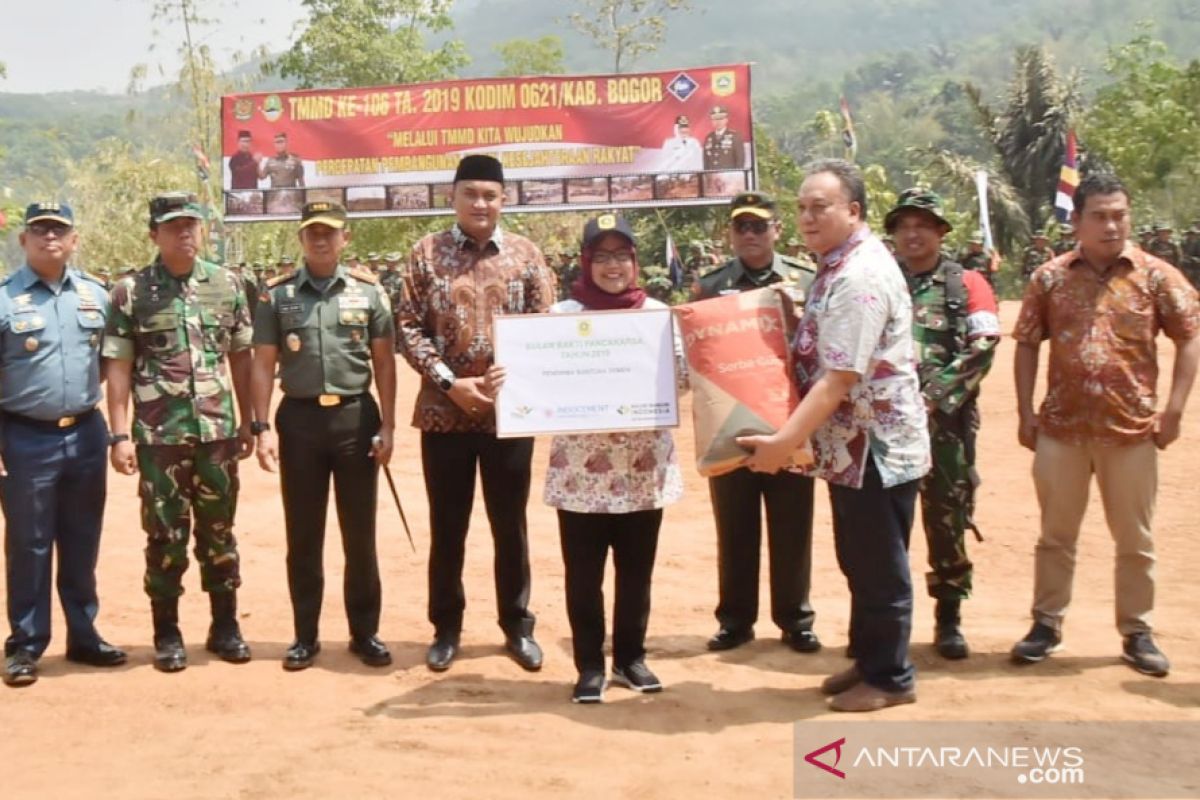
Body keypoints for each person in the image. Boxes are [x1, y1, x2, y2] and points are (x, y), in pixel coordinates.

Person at [737, 159, 930, 713]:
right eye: (800, 207)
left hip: (876, 448)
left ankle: (892, 676)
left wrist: (781, 444)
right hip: (851, 447)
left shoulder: (859, 276)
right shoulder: (835, 266)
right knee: (857, 556)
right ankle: (869, 660)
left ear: (854, 211)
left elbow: (841, 377)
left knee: (879, 565)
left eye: (819, 207)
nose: (806, 217)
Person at [1010, 173, 1200, 678]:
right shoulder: (1049, 277)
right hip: (1061, 430)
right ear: (1076, 220)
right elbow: (1027, 341)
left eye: (1119, 214)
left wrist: (1176, 409)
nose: (1111, 225)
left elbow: (1189, 336)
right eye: (1099, 215)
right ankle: (1046, 624)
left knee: (1135, 539)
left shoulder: (1157, 275)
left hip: (1131, 431)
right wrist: (1025, 411)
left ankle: (1137, 631)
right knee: (1055, 535)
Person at [490, 213, 685, 703]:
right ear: (586, 261)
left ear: (635, 261)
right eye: (602, 256)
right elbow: (532, 377)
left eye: (622, 255)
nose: (613, 266)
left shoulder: (657, 316)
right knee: (584, 576)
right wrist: (507, 383)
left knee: (637, 573)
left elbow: (679, 381)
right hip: (581, 475)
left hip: (643, 471)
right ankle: (590, 666)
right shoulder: (559, 319)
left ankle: (631, 659)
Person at [397, 154, 557, 673]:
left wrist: (510, 377)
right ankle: (446, 628)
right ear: (454, 197)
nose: (481, 203)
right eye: (471, 194)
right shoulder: (426, 254)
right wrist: (450, 382)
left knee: (509, 525)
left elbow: (544, 327)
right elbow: (408, 327)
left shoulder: (527, 256)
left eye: (490, 194)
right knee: (449, 526)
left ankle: (517, 625)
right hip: (444, 417)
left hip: (509, 417)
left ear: (504, 199)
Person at [103, 192, 255, 673]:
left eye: (191, 224)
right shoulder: (130, 291)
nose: (185, 233)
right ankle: (167, 632)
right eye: (173, 226)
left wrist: (251, 420)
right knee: (165, 534)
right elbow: (119, 366)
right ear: (154, 234)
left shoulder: (227, 285)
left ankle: (225, 625)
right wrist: (120, 434)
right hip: (158, 437)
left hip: (216, 433)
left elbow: (242, 356)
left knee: (219, 530)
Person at [251, 201, 397, 671]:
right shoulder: (276, 296)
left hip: (355, 420)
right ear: (301, 239)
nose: (320, 240)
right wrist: (261, 426)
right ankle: (305, 636)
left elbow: (385, 363)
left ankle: (365, 633)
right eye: (312, 232)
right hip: (300, 422)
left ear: (345, 239)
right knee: (304, 534)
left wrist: (389, 425)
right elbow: (262, 362)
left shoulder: (369, 293)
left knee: (360, 535)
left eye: (329, 233)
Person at [1, 202, 124, 688]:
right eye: (40, 230)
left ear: (74, 240)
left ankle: (83, 634)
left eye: (60, 230)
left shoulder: (95, 295)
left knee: (81, 538)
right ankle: (26, 645)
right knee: (29, 543)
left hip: (86, 432)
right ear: (24, 241)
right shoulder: (6, 299)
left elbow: (112, 363)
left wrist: (115, 431)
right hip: (25, 434)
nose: (50, 237)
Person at [692, 191, 821, 655]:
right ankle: (736, 620)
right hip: (730, 424)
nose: (749, 234)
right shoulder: (710, 286)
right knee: (735, 525)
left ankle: (795, 619)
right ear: (730, 233)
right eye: (741, 227)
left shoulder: (807, 279)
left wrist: (796, 318)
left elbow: (823, 348)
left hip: (789, 421)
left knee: (792, 524)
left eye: (759, 226)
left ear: (776, 230)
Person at [886, 188, 1000, 660]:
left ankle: (948, 616)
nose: (913, 233)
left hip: (944, 425)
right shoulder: (877, 280)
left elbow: (984, 345)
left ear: (940, 232)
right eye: (904, 225)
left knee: (946, 518)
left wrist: (930, 397)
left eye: (923, 224)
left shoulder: (966, 283)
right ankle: (880, 622)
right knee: (880, 526)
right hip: (884, 427)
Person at [703, 106, 745, 170]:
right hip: (711, 177)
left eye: (721, 119)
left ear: (726, 120)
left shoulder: (735, 136)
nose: (718, 122)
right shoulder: (708, 138)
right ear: (712, 121)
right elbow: (706, 162)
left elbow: (740, 160)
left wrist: (737, 175)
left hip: (729, 177)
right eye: (715, 119)